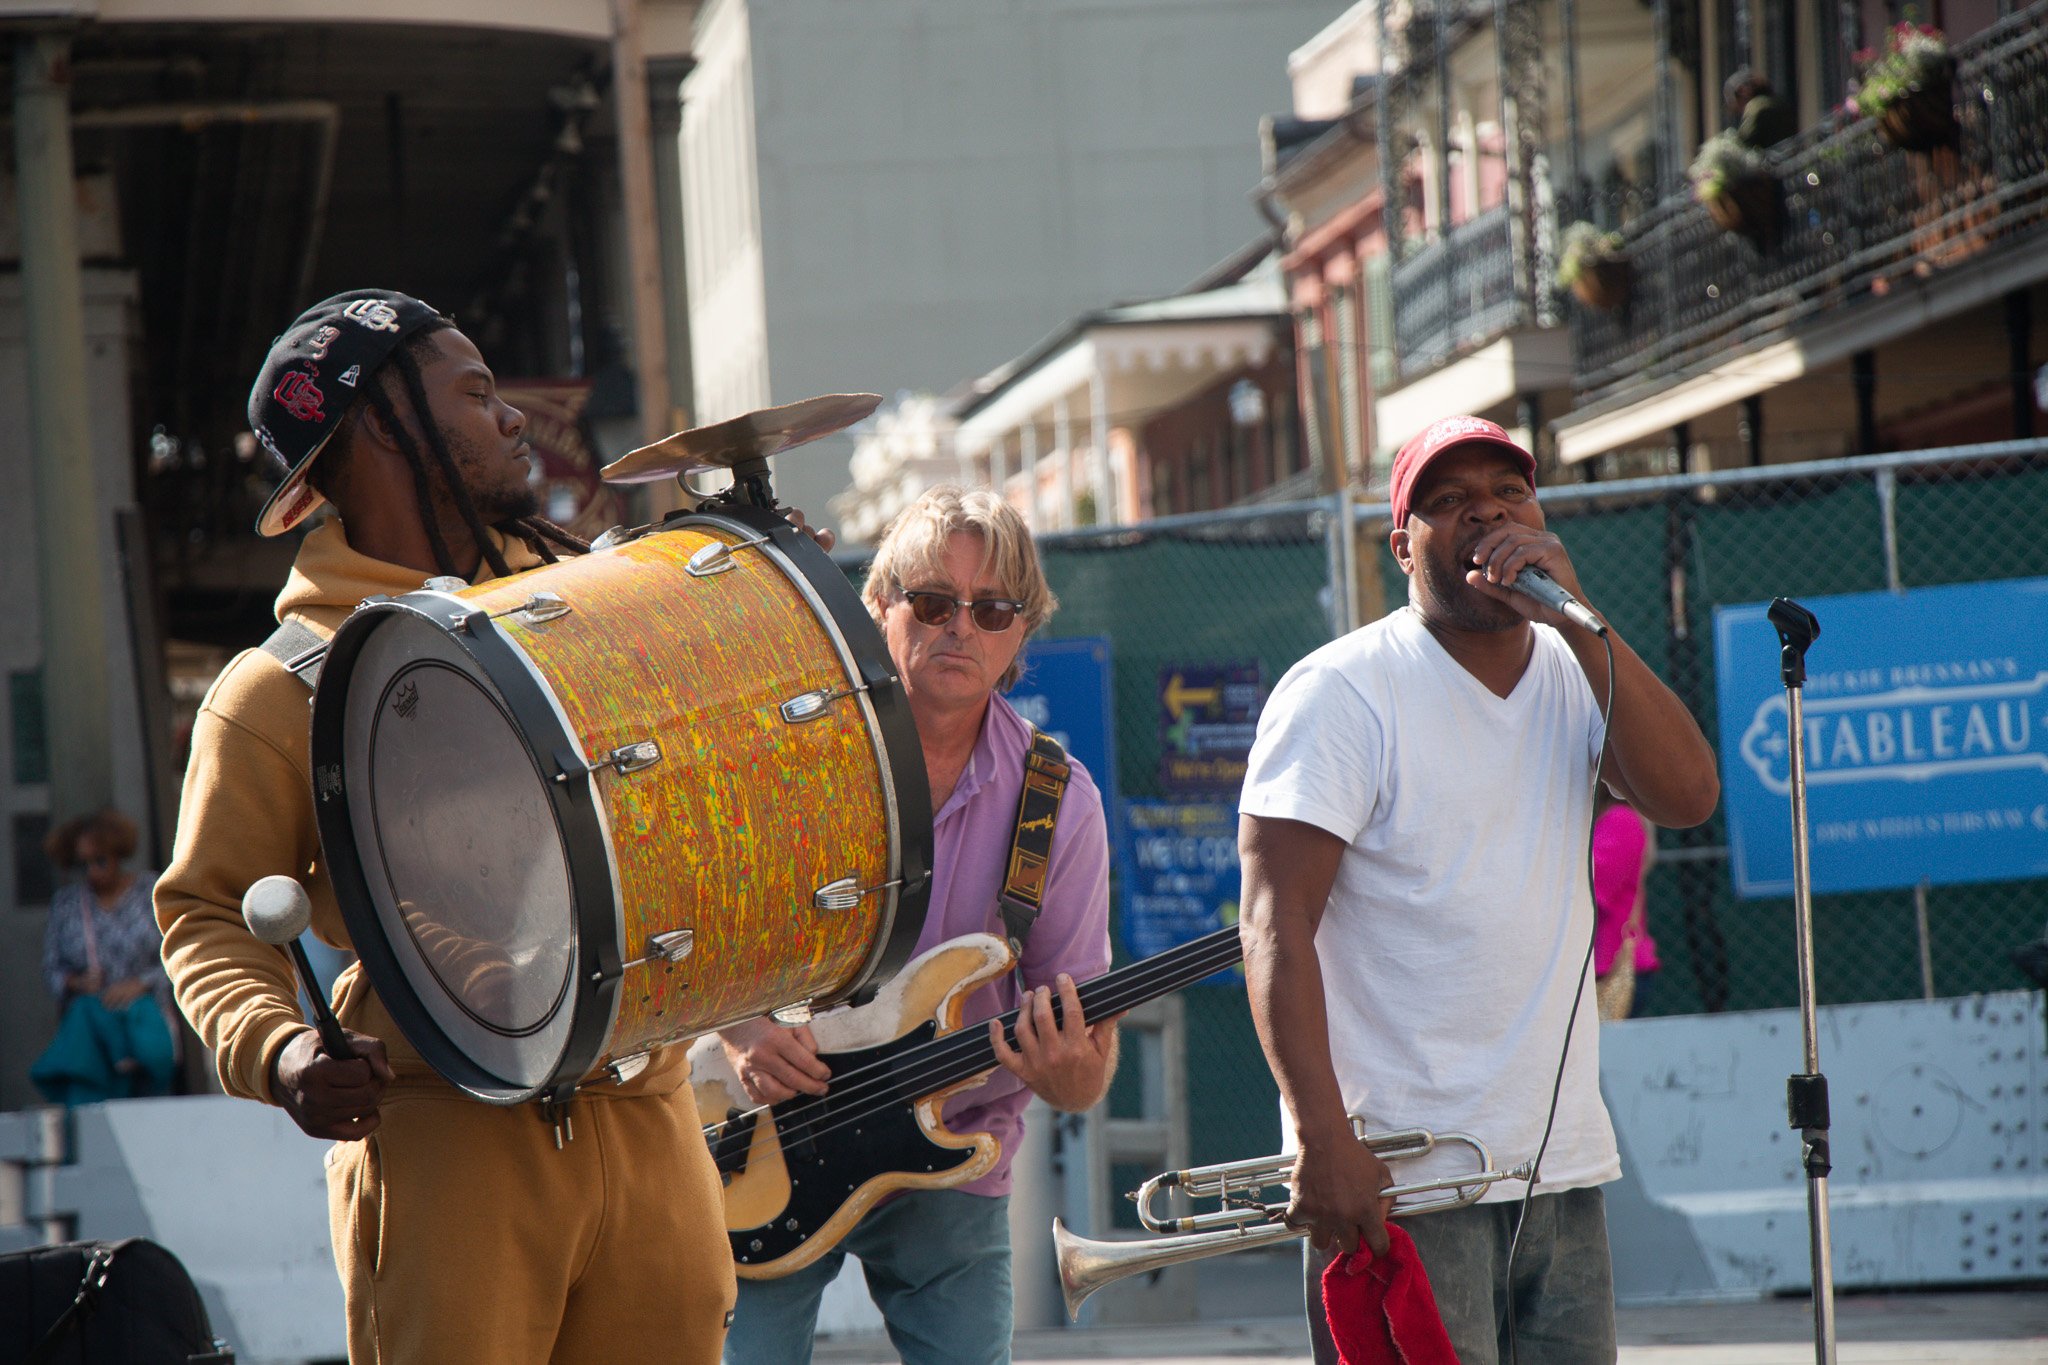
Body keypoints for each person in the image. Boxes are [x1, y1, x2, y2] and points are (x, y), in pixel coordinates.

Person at [155, 290, 778, 1364]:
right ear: (383, 424)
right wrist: (282, 1048)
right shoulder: (277, 689)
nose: (515, 417)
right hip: (447, 1137)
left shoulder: (598, 607)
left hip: (651, 1118)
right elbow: (206, 913)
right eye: (477, 393)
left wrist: (763, 603)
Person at [1236, 415, 1719, 1365]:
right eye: (1450, 501)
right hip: (1401, 1180)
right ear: (1402, 545)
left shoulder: (1575, 667)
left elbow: (1689, 796)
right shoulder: (1341, 690)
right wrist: (1322, 1138)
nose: (1488, 515)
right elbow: (1273, 922)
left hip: (1558, 1166)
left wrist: (1581, 618)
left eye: (1509, 493)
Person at [717, 485, 1115, 1365]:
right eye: (933, 602)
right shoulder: (794, 760)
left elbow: (1085, 1069)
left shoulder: (1059, 804)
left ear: (1021, 631)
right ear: (880, 605)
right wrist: (741, 1031)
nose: (960, 628)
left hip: (955, 1158)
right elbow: (695, 939)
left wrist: (1070, 1071)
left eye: (991, 609)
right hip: (765, 1136)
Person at [33, 808, 177, 1104]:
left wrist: (142, 983)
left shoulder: (151, 892)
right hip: (96, 1034)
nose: (92, 872)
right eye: (82, 865)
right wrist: (76, 982)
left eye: (99, 861)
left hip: (146, 1022)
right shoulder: (67, 904)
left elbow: (182, 955)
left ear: (117, 854)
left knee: (151, 1104)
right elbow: (51, 968)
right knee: (92, 1104)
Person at [1592, 794, 1660, 1022]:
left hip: (1612, 967)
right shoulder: (1614, 819)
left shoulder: (1621, 819)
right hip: (1603, 967)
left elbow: (1591, 886)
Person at [1726, 68, 1796, 150]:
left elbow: (1745, 143)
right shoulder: (1778, 102)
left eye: (1736, 104)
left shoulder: (1756, 107)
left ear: (1742, 91)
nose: (1740, 111)